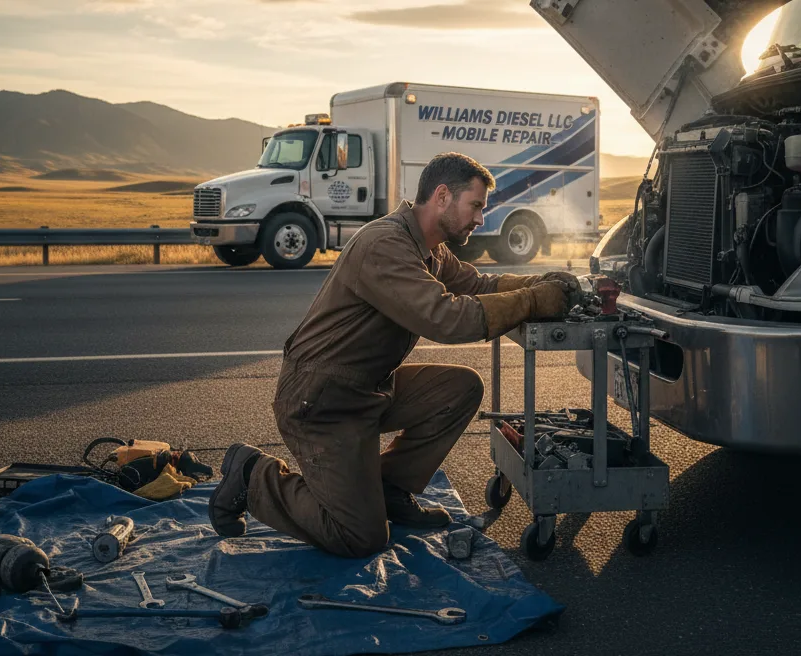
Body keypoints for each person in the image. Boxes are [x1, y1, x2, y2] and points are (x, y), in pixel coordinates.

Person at [208, 152, 579, 557]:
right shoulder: (386, 245)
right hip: (321, 401)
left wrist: (544, 282)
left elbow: (480, 285)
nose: (480, 220)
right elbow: (446, 318)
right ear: (442, 196)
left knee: (460, 388)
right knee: (360, 537)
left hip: (365, 388)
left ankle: (388, 490)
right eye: (475, 206)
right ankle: (251, 475)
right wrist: (533, 300)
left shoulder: (430, 249)